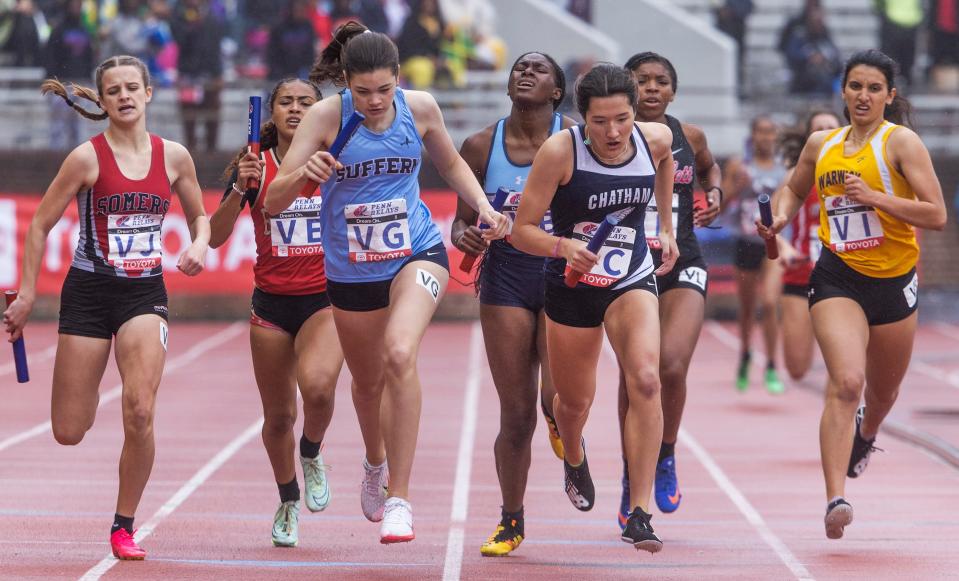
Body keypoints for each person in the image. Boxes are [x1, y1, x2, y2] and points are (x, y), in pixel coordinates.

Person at [265, 22, 507, 544]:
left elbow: (452, 165)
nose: (374, 102)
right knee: (368, 383)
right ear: (345, 83)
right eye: (363, 92)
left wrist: (484, 206)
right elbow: (273, 201)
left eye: (384, 90)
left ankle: (400, 498)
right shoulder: (325, 117)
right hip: (351, 270)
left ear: (398, 78)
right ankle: (374, 460)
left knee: (400, 352)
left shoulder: (419, 108)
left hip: (416, 251)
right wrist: (305, 171)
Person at [2, 55, 209, 560]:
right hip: (89, 293)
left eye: (132, 87)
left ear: (148, 93)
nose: (124, 96)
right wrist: (28, 295)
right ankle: (88, 388)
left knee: (139, 409)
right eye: (113, 90)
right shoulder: (85, 159)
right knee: (69, 430)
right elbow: (40, 227)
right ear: (104, 99)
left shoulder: (175, 156)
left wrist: (200, 244)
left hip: (144, 294)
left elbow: (201, 216)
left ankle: (123, 525)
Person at [758, 49, 946, 540]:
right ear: (842, 91)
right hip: (837, 275)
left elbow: (936, 214)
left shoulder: (901, 143)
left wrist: (876, 198)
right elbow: (794, 190)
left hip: (894, 281)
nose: (863, 96)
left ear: (890, 95)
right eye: (855, 87)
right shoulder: (823, 144)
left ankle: (868, 431)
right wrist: (779, 217)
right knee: (846, 381)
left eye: (874, 88)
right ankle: (835, 497)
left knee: (882, 394)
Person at [511, 62, 677, 553]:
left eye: (622, 119)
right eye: (600, 122)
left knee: (646, 379)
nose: (613, 132)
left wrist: (664, 225)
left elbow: (665, 164)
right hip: (573, 283)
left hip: (630, 274)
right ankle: (575, 451)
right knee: (575, 403)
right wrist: (563, 247)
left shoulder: (654, 138)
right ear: (581, 118)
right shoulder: (560, 151)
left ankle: (640, 512)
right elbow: (522, 231)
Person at [209, 78, 344, 548]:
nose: (295, 109)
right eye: (285, 102)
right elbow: (213, 237)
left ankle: (312, 451)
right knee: (278, 417)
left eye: (306, 102)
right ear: (272, 113)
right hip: (270, 303)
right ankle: (288, 499)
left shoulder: (334, 160)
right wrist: (237, 190)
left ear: (319, 112)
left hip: (324, 299)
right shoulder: (253, 165)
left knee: (320, 390)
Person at [451, 51, 574, 557]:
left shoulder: (576, 141)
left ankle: (572, 447)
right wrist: (467, 238)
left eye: (539, 69)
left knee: (557, 399)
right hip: (505, 278)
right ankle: (511, 520)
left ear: (557, 92)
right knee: (516, 413)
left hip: (563, 274)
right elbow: (460, 222)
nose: (526, 72)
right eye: (520, 67)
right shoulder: (480, 145)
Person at [615, 52, 722, 527]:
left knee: (672, 365)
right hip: (629, 264)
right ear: (627, 89)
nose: (652, 88)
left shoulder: (689, 136)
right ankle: (630, 470)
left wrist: (713, 194)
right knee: (636, 373)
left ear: (673, 92)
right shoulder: (612, 137)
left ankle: (664, 453)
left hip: (683, 260)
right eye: (642, 81)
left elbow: (709, 168)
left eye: (661, 81)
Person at [721, 115, 786, 394]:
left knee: (770, 303)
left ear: (776, 136)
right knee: (747, 308)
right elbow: (720, 206)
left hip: (774, 244)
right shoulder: (739, 165)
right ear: (752, 135)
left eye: (770, 132)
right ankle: (745, 355)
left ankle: (771, 364)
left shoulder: (785, 169)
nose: (765, 137)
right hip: (745, 241)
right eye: (760, 132)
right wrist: (737, 186)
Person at [776, 110, 841, 382]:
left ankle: (840, 420)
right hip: (802, 274)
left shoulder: (859, 171)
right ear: (809, 139)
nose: (826, 133)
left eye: (831, 128)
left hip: (843, 277)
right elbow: (769, 224)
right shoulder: (795, 175)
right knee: (797, 367)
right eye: (819, 129)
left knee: (843, 373)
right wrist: (785, 248)